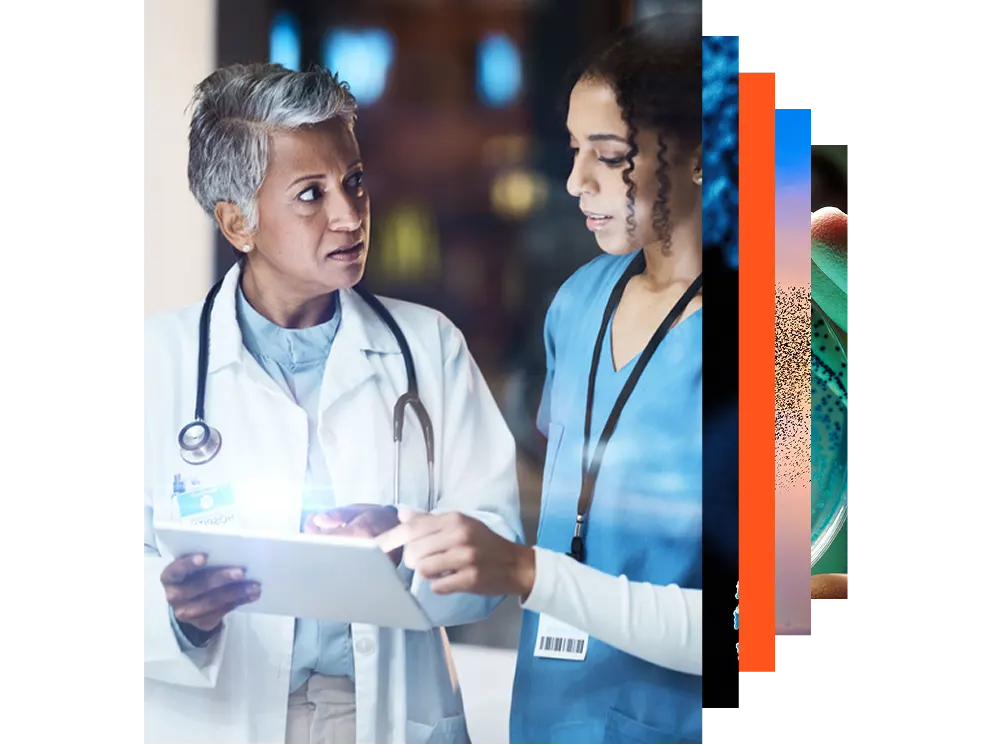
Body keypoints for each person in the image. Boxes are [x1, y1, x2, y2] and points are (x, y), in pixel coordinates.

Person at [143, 63, 524, 745]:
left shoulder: (428, 348)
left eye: (353, 182)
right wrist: (175, 611)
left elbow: (496, 550)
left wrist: (405, 545)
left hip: (382, 717)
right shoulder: (159, 361)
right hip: (217, 713)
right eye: (310, 194)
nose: (350, 215)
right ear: (238, 221)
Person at [378, 14, 706, 743]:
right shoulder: (579, 301)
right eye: (571, 149)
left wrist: (528, 572)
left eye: (607, 153)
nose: (574, 181)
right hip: (550, 717)